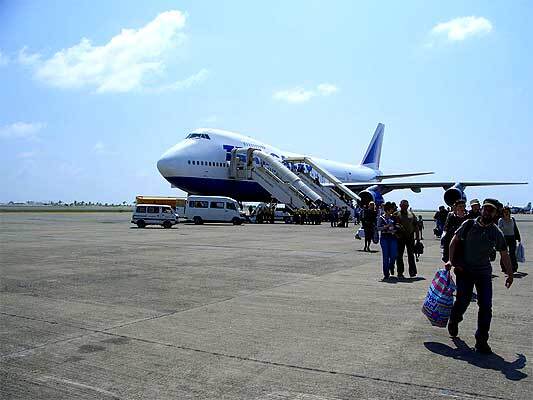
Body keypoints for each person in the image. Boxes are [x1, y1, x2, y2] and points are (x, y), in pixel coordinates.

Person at [446, 199, 514, 354]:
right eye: (486, 209)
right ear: (481, 209)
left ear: (495, 213)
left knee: (486, 307)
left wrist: (510, 274)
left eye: (491, 210)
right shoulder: (469, 224)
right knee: (463, 300)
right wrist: (450, 260)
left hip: (483, 273)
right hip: (465, 271)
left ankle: (481, 340)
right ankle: (454, 319)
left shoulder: (496, 232)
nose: (487, 212)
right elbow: (454, 241)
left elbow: (504, 254)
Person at [394, 200, 420, 278]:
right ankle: (400, 272)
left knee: (411, 255)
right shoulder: (396, 214)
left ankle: (412, 272)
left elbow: (416, 226)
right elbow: (393, 226)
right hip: (400, 238)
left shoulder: (411, 214)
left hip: (410, 237)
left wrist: (418, 238)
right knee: (399, 256)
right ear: (400, 205)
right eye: (403, 205)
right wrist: (396, 235)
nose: (404, 207)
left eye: (406, 205)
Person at [377, 202, 398, 280]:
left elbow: (396, 226)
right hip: (384, 238)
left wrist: (395, 229)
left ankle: (391, 265)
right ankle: (386, 273)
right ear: (387, 210)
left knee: (393, 255)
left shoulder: (393, 218)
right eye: (390, 210)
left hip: (393, 237)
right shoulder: (381, 218)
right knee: (385, 256)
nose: (392, 211)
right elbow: (378, 228)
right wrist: (386, 226)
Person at [498, 206, 521, 272]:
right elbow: (499, 230)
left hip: (512, 237)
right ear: (503, 213)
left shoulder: (512, 219)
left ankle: (514, 267)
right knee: (504, 253)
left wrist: (518, 237)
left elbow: (515, 228)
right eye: (505, 212)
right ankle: (504, 267)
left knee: (512, 253)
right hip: (504, 238)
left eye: (507, 212)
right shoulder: (501, 220)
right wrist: (506, 220)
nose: (506, 213)